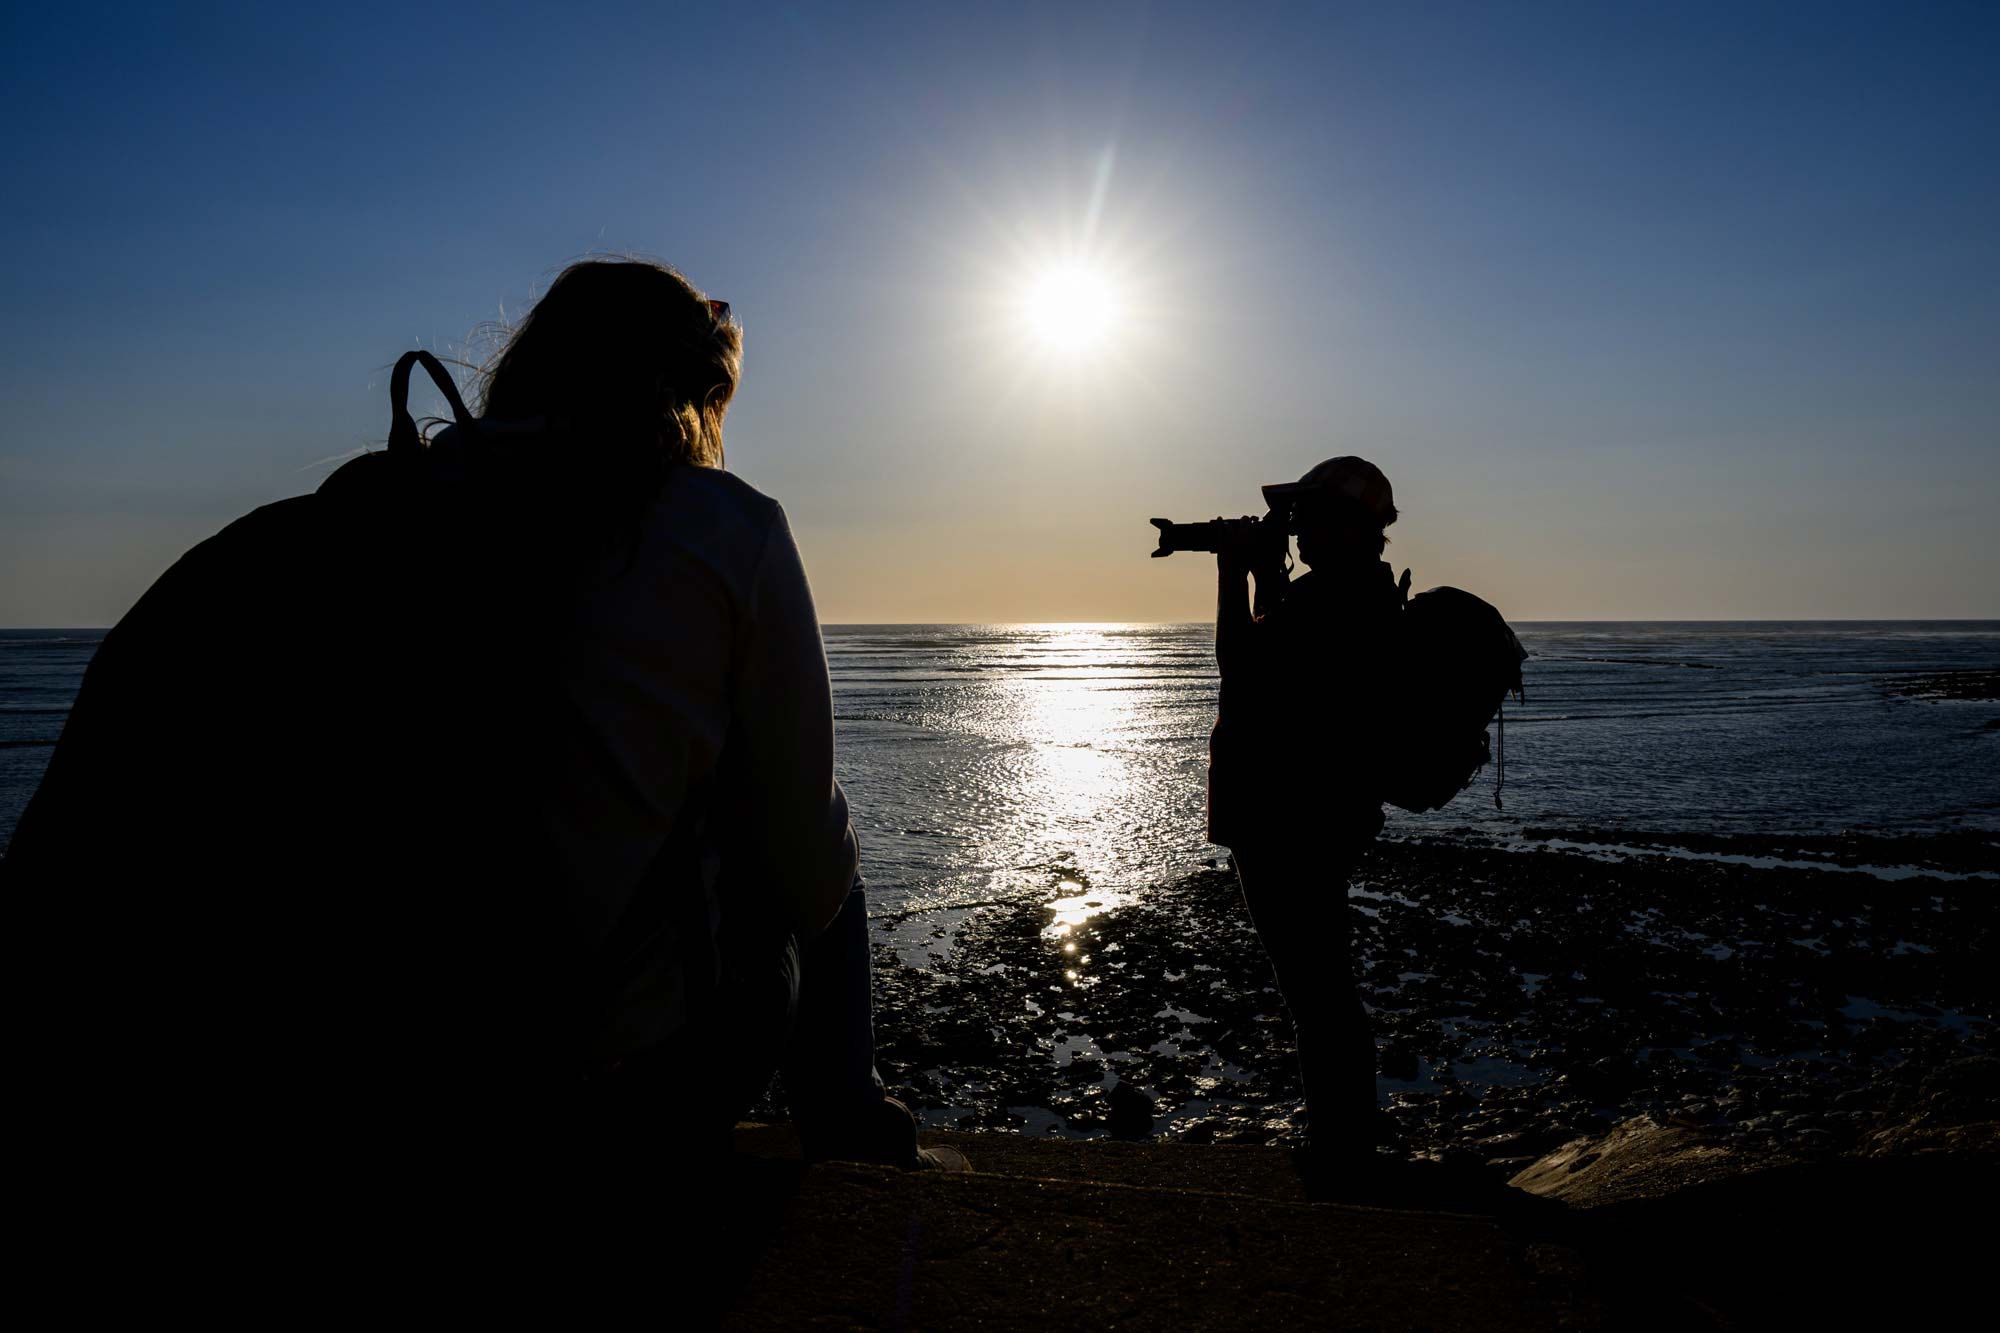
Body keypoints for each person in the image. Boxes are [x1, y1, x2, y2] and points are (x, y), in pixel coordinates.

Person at [6, 259, 954, 1191]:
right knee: (819, 840)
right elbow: (804, 872)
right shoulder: (724, 526)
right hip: (599, 1104)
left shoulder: (345, 520)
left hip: (332, 1088)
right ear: (695, 398)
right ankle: (848, 1120)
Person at [1209, 456, 1405, 1179]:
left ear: (1352, 527)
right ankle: (1345, 1139)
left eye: (1310, 515)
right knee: (1321, 987)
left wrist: (1234, 572)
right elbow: (1276, 658)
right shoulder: (1350, 596)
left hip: (1290, 823)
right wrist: (1267, 575)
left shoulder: (1340, 603)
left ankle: (1344, 1151)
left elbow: (1242, 663)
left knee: (1318, 993)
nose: (1297, 527)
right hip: (1309, 817)